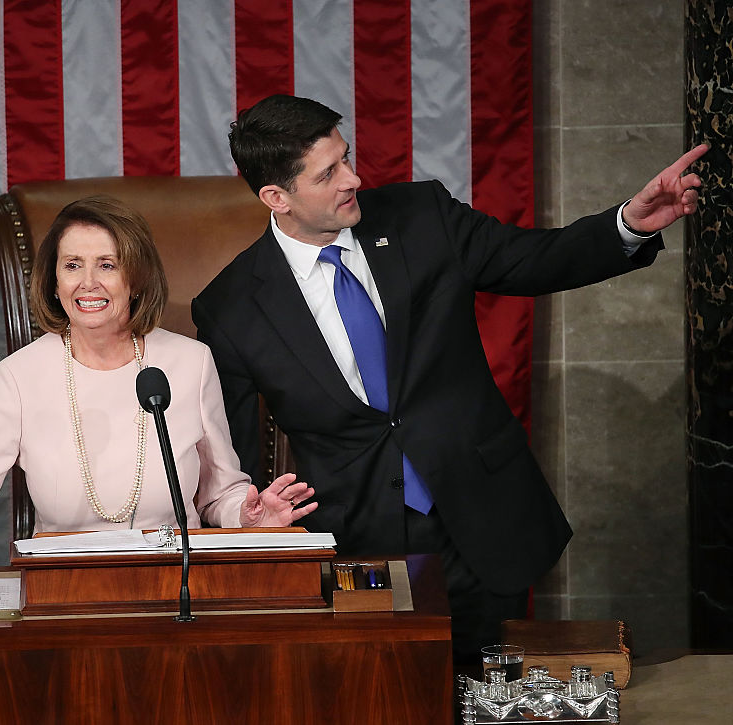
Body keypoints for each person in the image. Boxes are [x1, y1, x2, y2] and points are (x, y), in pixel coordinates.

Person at [191, 94, 705, 662]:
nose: (353, 178)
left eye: (347, 158)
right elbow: (230, 458)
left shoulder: (421, 217)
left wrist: (627, 224)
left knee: (493, 697)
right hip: (359, 543)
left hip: (481, 511)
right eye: (329, 172)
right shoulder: (230, 306)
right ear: (276, 197)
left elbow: (532, 258)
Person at [0, 195, 317, 646]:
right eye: (72, 266)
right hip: (60, 600)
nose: (88, 283)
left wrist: (252, 518)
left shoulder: (190, 362)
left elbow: (218, 492)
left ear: (137, 276)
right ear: (54, 280)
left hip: (177, 595)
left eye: (107, 265)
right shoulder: (19, 376)